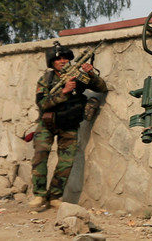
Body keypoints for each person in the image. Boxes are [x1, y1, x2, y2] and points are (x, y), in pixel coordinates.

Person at [29, 41, 107, 210]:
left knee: (66, 162)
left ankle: (55, 196)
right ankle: (39, 195)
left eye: (65, 58)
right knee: (40, 157)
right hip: (48, 123)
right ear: (52, 62)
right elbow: (42, 103)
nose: (63, 61)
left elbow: (101, 88)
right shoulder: (46, 79)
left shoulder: (77, 76)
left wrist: (91, 74)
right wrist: (63, 92)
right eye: (58, 59)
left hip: (70, 124)